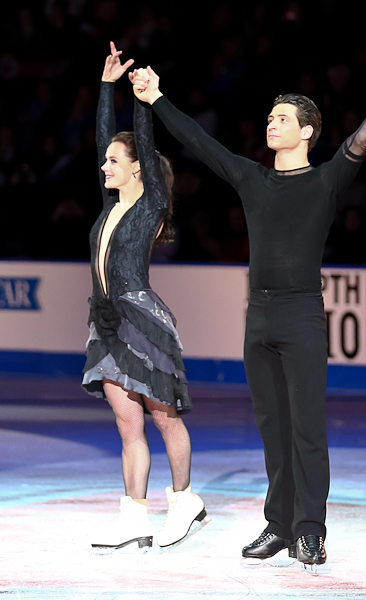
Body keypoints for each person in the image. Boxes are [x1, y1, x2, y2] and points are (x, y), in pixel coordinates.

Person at [130, 43, 366, 568]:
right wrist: (156, 99)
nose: (272, 123)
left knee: (307, 427)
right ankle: (279, 526)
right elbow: (200, 141)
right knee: (272, 429)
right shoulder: (253, 178)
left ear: (307, 131)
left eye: (283, 118)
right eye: (270, 116)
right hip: (258, 316)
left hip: (302, 314)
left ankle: (311, 529)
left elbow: (362, 139)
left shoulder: (327, 179)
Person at [82, 43, 207, 552]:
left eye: (116, 160)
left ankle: (184, 502)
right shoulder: (110, 203)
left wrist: (141, 98)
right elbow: (99, 141)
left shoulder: (149, 200)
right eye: (106, 160)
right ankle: (133, 516)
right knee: (126, 421)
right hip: (105, 320)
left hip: (142, 315)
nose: (106, 165)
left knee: (162, 414)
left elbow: (144, 138)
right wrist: (106, 86)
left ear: (138, 170)